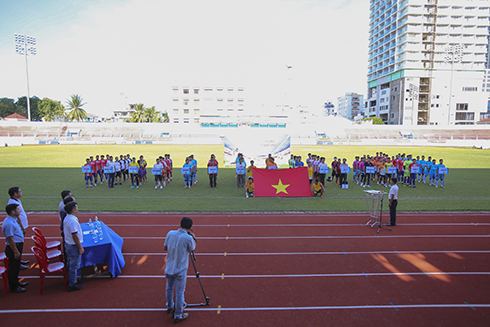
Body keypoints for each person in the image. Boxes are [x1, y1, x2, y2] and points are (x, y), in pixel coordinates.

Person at [164, 217, 196, 324]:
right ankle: (178, 314)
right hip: (180, 269)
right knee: (180, 292)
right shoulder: (188, 238)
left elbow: (165, 248)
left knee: (169, 287)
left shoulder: (170, 233)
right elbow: (192, 248)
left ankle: (169, 306)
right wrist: (194, 239)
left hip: (169, 267)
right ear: (190, 227)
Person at [2, 203, 29, 293]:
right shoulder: (9, 223)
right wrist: (16, 251)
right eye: (18, 209)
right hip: (13, 247)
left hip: (17, 245)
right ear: (13, 212)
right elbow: (10, 239)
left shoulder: (14, 219)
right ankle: (13, 287)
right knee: (13, 268)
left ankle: (16, 282)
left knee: (16, 266)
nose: (19, 210)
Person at [63, 201, 85, 292]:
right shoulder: (72, 220)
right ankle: (72, 284)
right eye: (76, 207)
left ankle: (71, 279)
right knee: (74, 265)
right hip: (73, 246)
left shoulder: (68, 218)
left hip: (69, 244)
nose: (77, 209)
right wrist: (80, 247)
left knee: (70, 263)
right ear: (73, 210)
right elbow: (75, 235)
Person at [7, 187, 29, 268]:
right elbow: (17, 217)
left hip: (20, 226)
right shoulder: (12, 203)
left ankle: (19, 261)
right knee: (18, 244)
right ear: (15, 194)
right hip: (18, 227)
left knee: (20, 243)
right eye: (19, 191)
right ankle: (17, 263)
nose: (21, 192)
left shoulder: (16, 201)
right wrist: (22, 227)